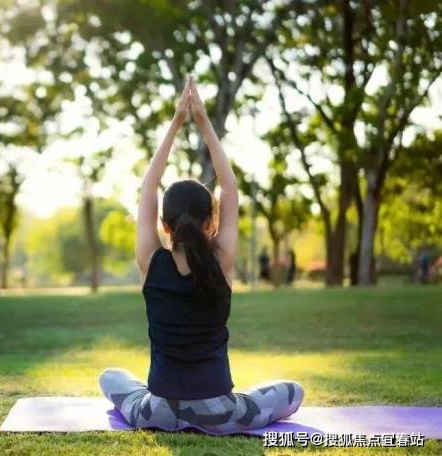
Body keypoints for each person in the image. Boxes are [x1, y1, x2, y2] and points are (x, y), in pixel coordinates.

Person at [98, 76, 303, 434]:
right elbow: (230, 188)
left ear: (164, 225)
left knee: (110, 377)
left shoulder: (150, 260)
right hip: (219, 413)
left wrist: (176, 121)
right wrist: (204, 122)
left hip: (157, 412)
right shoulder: (221, 260)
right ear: (212, 223)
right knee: (293, 391)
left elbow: (148, 187)